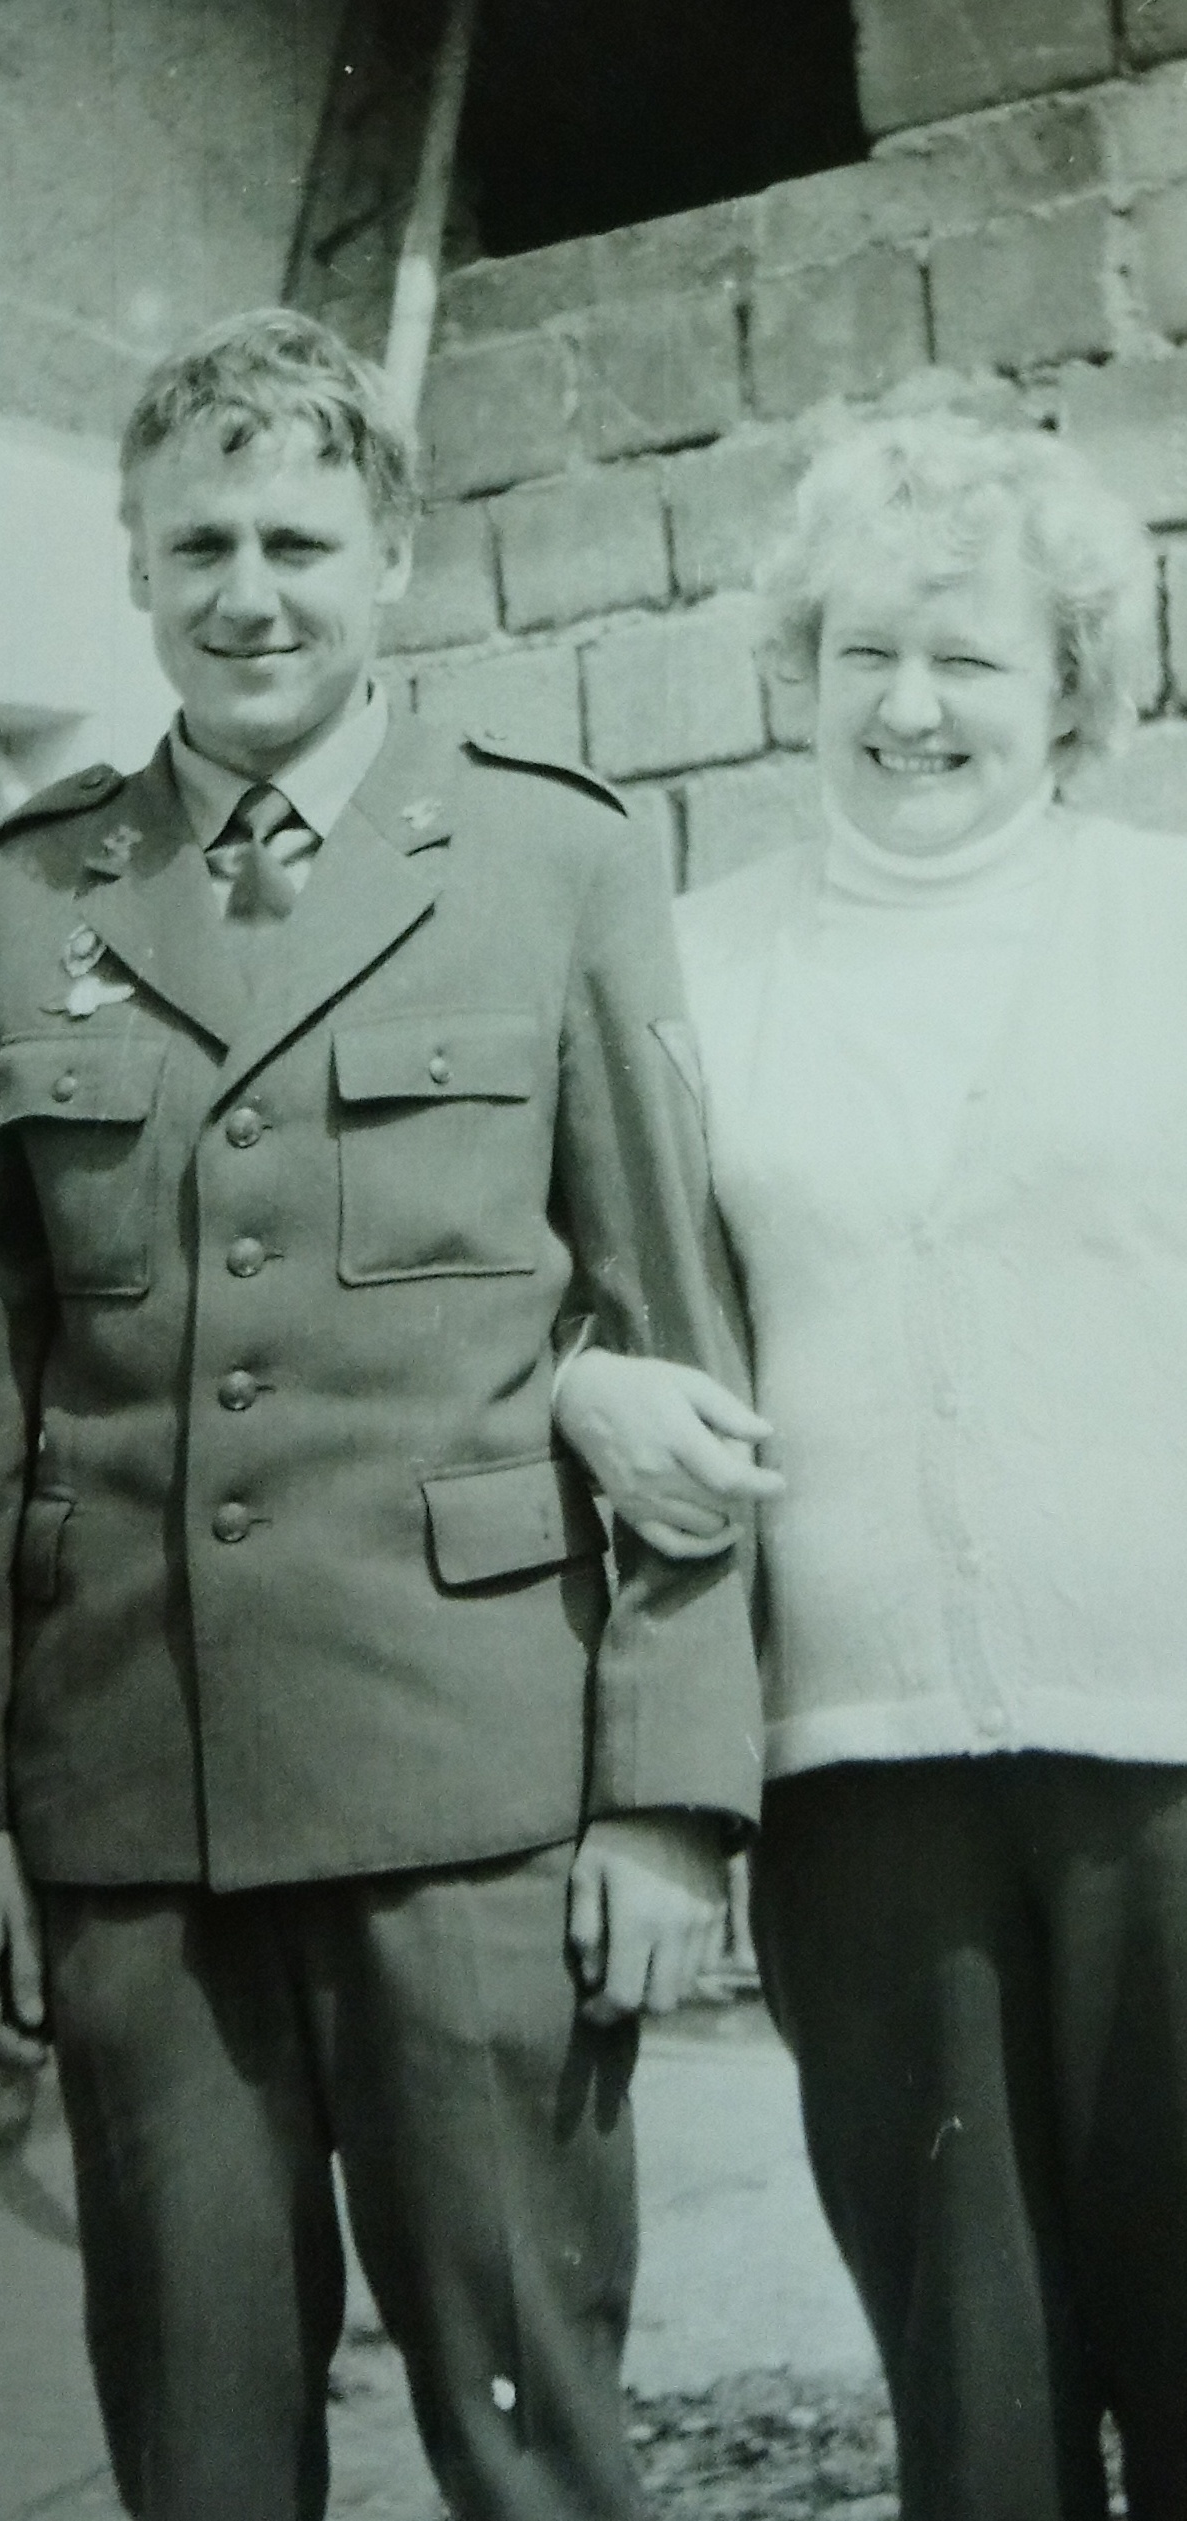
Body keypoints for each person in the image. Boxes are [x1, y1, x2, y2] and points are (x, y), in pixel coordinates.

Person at [0, 307, 762, 2521]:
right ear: (133, 562)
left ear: (393, 559)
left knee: (534, 2447)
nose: (246, 591)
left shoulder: (553, 862)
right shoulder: (16, 904)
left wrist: (667, 1797)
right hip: (131, 1820)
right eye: (199, 545)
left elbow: (677, 1350)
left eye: (296, 541)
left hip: (475, 1801)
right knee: (196, 2456)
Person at [553, 409, 1187, 2521]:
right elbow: (559, 1278)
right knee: (973, 2397)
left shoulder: (1166, 924)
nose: (908, 707)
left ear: (1070, 688)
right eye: (863, 656)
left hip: (1173, 1761)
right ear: (798, 670)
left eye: (968, 658)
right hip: (857, 1781)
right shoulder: (692, 968)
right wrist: (578, 1389)